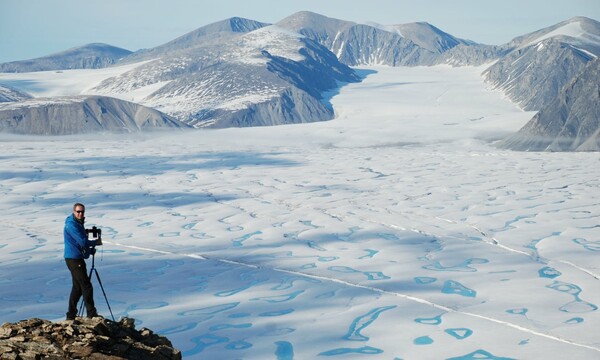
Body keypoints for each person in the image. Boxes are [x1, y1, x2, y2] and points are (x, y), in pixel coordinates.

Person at [64, 202, 98, 320]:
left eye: (82, 212)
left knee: (77, 287)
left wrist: (89, 251)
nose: (80, 214)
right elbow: (82, 241)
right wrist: (94, 242)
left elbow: (81, 243)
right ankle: (91, 313)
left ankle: (71, 315)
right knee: (86, 285)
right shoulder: (72, 225)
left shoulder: (77, 223)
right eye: (78, 211)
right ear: (74, 212)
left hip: (75, 258)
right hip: (73, 259)